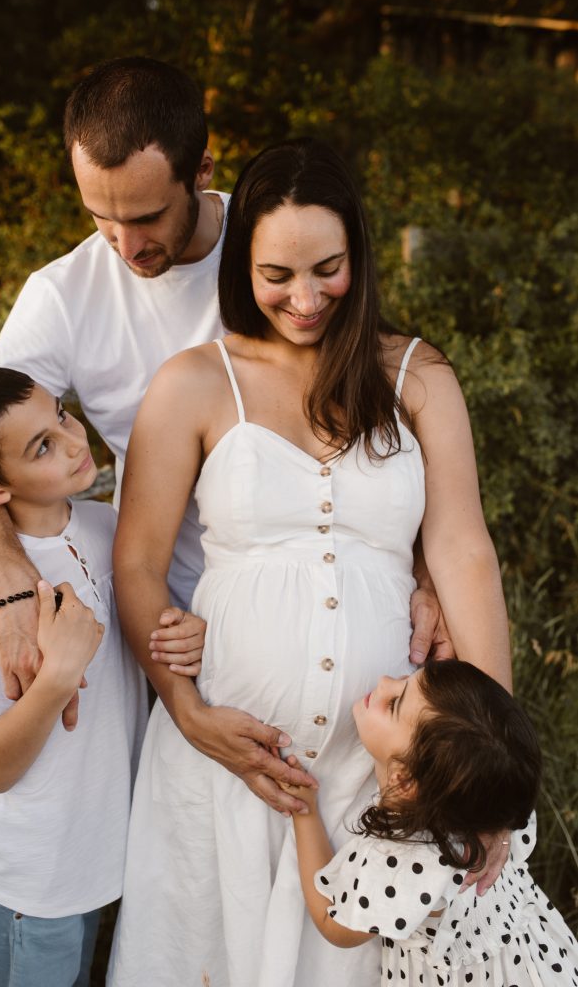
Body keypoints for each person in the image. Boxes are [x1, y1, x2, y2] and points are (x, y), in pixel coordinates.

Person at [0, 59, 444, 770]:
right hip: (175, 638)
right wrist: (12, 590)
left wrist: (425, 570)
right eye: (99, 217)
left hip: (346, 619)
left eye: (144, 217)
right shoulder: (64, 297)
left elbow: (378, 421)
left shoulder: (276, 250)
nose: (124, 247)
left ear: (202, 170)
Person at [106, 138, 512, 986]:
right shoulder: (193, 383)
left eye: (325, 268)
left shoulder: (416, 376)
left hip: (379, 775)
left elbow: (463, 552)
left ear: (357, 255)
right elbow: (138, 564)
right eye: (274, 275)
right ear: (239, 268)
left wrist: (488, 774)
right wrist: (185, 711)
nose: (302, 298)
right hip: (225, 758)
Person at [0, 364, 148, 986]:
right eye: (42, 446)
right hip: (25, 878)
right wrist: (55, 681)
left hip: (87, 855)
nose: (75, 442)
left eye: (63, 417)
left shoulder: (105, 526)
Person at [282, 660, 578, 987]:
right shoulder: (490, 794)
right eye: (404, 679)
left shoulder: (404, 859)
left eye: (393, 704)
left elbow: (332, 922)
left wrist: (304, 811)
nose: (383, 681)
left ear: (405, 780)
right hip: (536, 961)